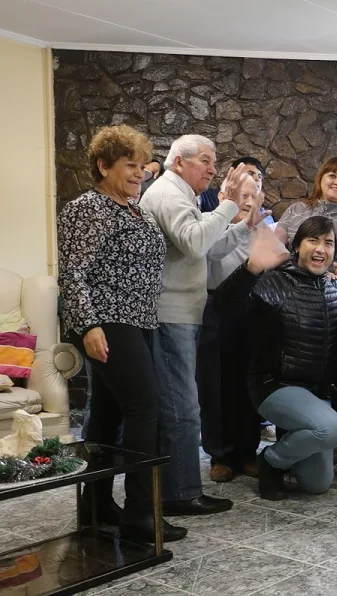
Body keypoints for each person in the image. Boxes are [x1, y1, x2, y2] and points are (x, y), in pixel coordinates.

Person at [57, 125, 186, 542]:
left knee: (110, 414)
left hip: (137, 321)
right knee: (145, 408)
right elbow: (73, 272)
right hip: (107, 321)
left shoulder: (136, 208)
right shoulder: (88, 208)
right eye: (128, 166)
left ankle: (94, 504)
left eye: (140, 166)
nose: (138, 173)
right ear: (102, 165)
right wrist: (89, 325)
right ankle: (140, 514)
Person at [140, 134, 260, 516]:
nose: (212, 168)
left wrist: (244, 225)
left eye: (213, 161)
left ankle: (178, 489)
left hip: (186, 313)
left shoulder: (182, 193)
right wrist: (227, 204)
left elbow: (207, 248)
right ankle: (180, 494)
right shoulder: (169, 193)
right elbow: (194, 242)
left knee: (183, 407)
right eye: (205, 161)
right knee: (182, 409)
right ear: (179, 162)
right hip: (170, 315)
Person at [215, 216, 337, 500]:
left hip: (316, 396)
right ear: (297, 246)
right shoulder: (275, 282)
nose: (320, 249)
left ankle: (291, 439)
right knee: (332, 428)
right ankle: (271, 461)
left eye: (328, 243)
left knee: (317, 484)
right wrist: (251, 268)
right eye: (312, 241)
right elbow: (224, 306)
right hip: (275, 387)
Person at [197, 175, 266, 482]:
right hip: (215, 309)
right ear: (224, 194)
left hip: (252, 311)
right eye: (242, 194)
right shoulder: (209, 223)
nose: (248, 201)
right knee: (216, 385)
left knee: (249, 383)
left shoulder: (262, 228)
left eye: (254, 195)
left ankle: (248, 452)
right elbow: (211, 253)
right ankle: (220, 455)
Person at [276, 157, 337, 294]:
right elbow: (274, 248)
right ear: (321, 178)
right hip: (290, 291)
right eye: (332, 175)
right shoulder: (296, 210)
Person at [199, 156, 264, 213]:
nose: (257, 179)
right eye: (250, 173)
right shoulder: (206, 197)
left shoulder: (265, 216)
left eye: (260, 176)